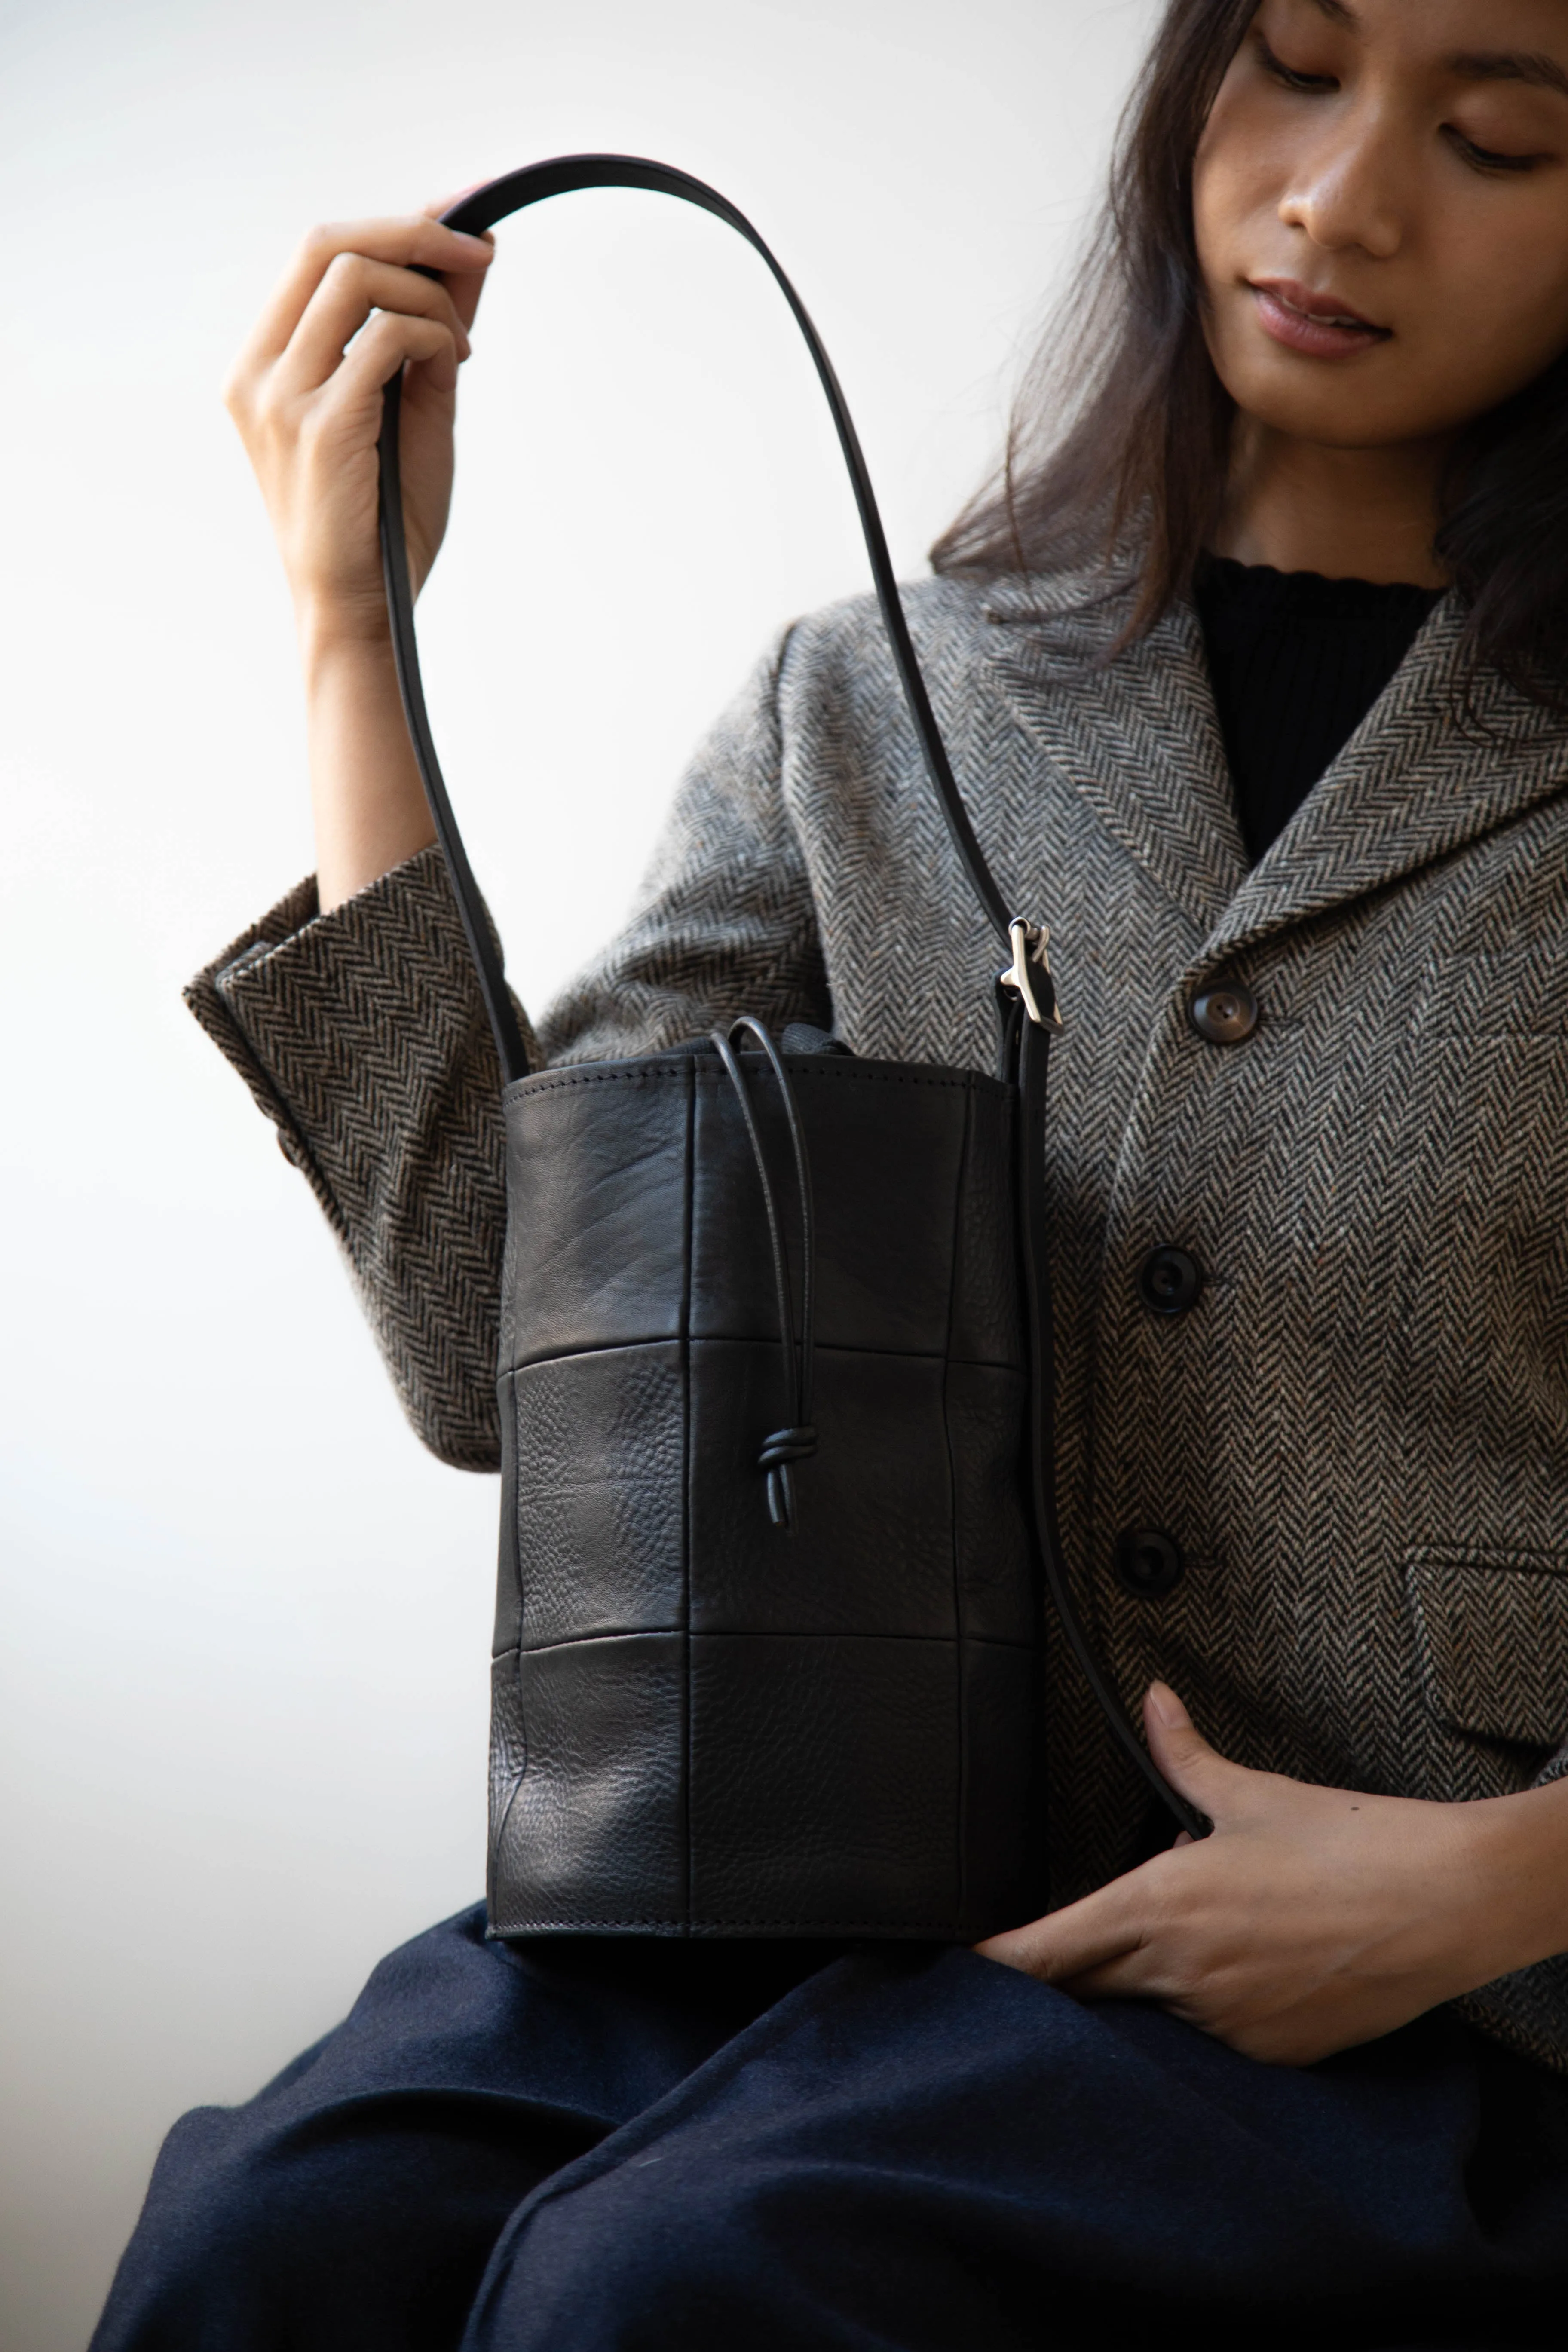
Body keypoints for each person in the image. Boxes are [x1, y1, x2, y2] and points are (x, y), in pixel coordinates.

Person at [93, 1, 1568, 2345]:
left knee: (667, 2286)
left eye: (1503, 136)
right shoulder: (874, 700)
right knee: (272, 2232)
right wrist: (353, 632)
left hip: (1435, 2004)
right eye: (1290, 62)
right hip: (807, 1870)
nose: (1346, 194)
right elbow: (512, 1350)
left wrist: (1503, 1884)